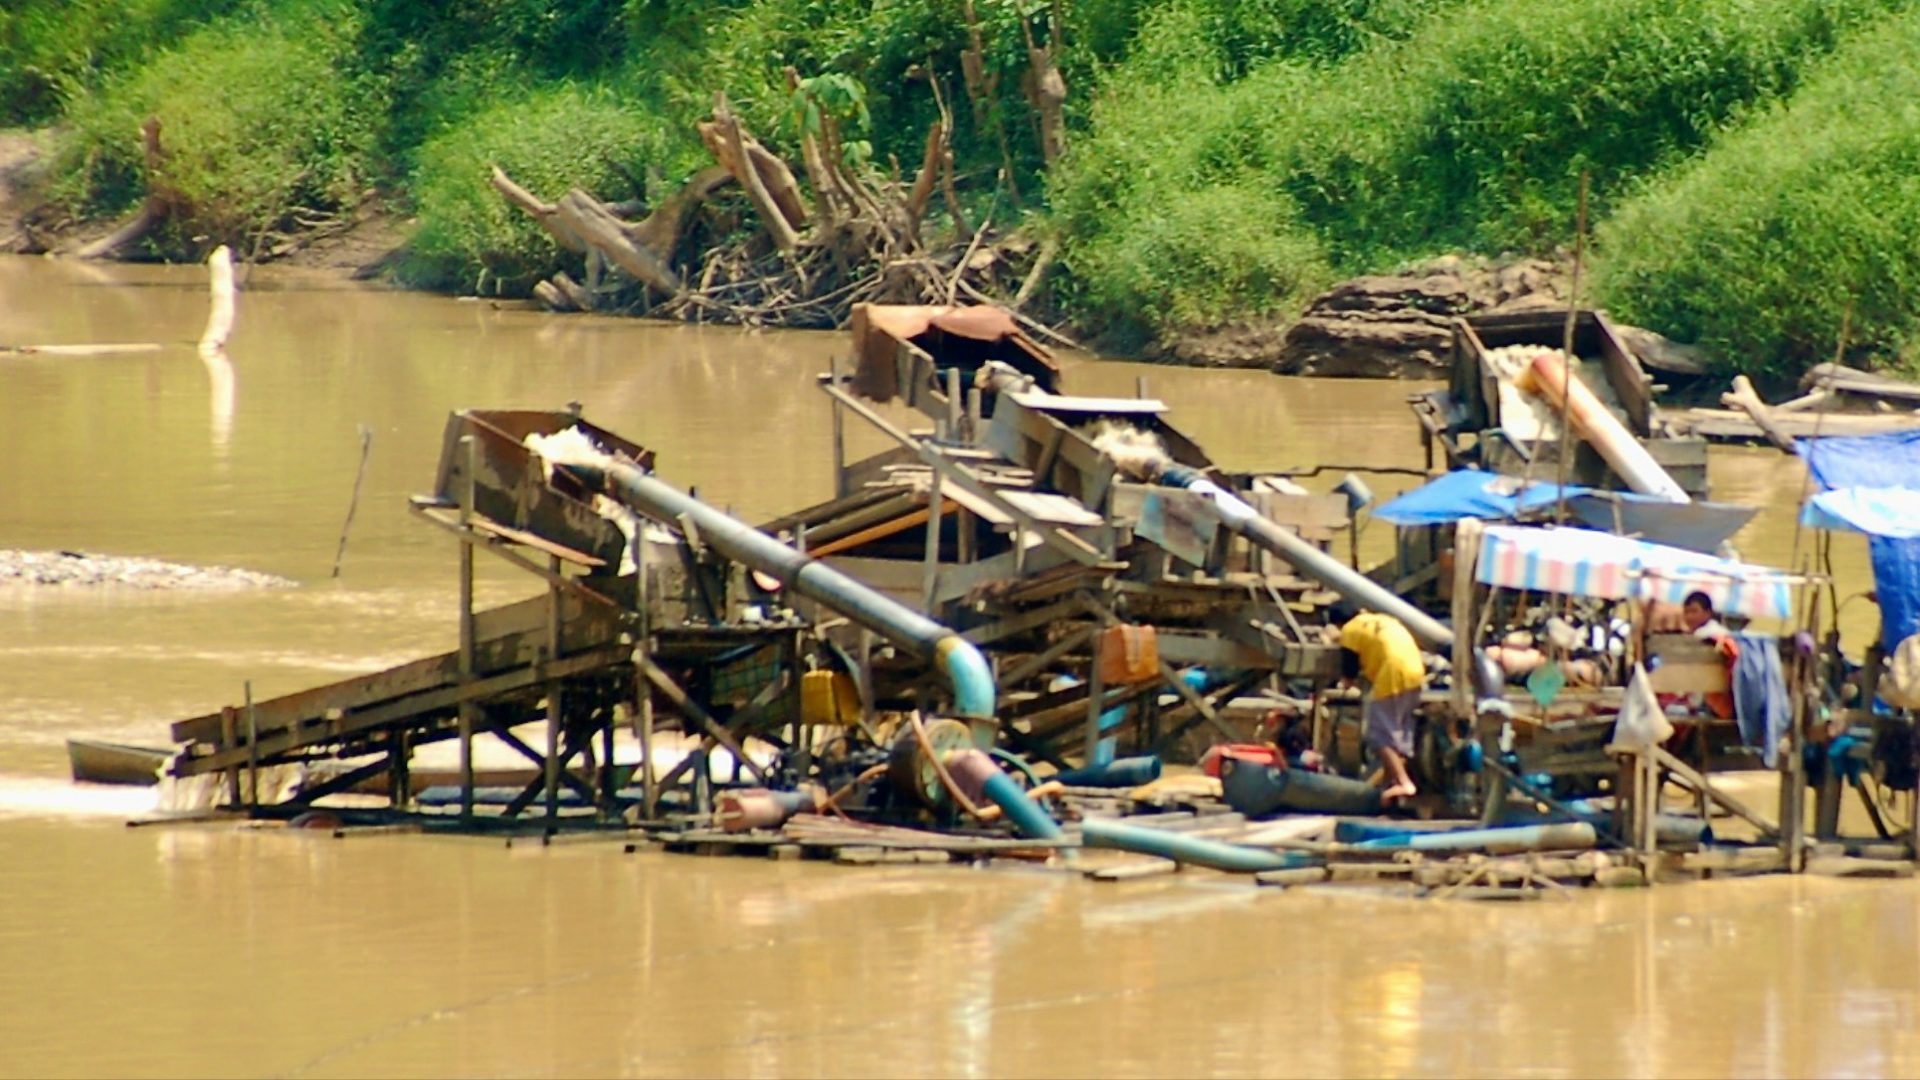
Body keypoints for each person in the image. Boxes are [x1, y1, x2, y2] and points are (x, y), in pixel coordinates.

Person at [1336, 610, 1427, 804]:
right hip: (1416, 672)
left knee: (1378, 735)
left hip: (1392, 675)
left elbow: (1349, 670)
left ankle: (1404, 783)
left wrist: (1346, 682)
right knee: (1398, 733)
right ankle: (1390, 786)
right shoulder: (1384, 620)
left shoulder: (1349, 629)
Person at [1681, 590, 1739, 720]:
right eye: (1686, 612)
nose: (1689, 616)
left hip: (1714, 698)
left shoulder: (1705, 634)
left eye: (1694, 611)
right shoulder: (1720, 631)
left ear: (1708, 613)